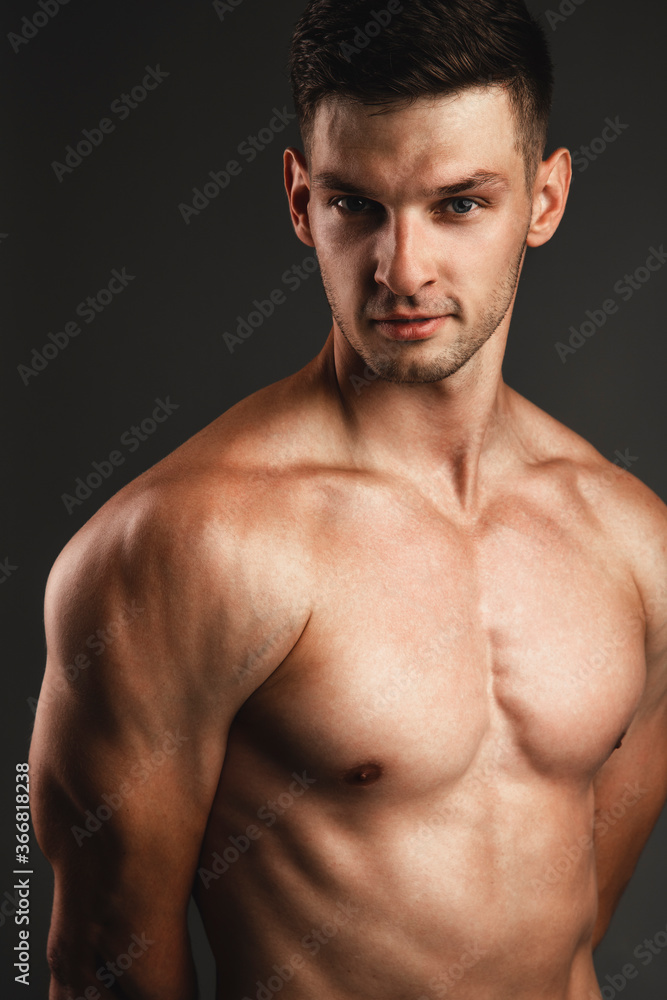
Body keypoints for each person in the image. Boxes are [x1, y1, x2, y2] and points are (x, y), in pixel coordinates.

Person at [30, 1, 667, 998]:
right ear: (299, 199)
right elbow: (99, 962)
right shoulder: (183, 547)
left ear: (544, 201)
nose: (401, 270)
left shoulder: (637, 546)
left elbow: (575, 919)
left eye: (459, 204)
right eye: (356, 205)